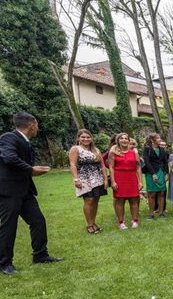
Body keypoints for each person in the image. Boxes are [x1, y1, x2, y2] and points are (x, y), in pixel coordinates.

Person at [0, 111, 62, 274]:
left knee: (38, 221)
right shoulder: (8, 137)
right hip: (9, 191)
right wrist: (31, 169)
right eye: (37, 125)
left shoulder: (25, 141)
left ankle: (40, 255)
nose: (38, 129)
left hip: (25, 191)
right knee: (9, 226)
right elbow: (9, 158)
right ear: (31, 124)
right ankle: (5, 264)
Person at [68, 129, 109, 234]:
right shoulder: (75, 149)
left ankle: (93, 222)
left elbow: (103, 165)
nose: (86, 139)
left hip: (97, 178)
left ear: (91, 138)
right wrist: (76, 179)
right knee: (89, 200)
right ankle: (89, 224)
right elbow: (72, 164)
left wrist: (105, 179)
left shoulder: (96, 150)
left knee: (95, 200)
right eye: (83, 137)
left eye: (88, 137)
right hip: (84, 178)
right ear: (78, 138)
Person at [109, 132, 143, 230]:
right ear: (118, 140)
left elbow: (138, 167)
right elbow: (111, 167)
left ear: (128, 140)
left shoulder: (134, 152)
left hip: (132, 177)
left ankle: (135, 221)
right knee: (120, 201)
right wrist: (113, 181)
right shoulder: (113, 152)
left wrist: (140, 181)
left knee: (134, 200)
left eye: (126, 138)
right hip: (119, 177)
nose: (124, 140)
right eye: (121, 138)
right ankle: (121, 222)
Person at [142, 133, 169, 219]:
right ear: (152, 140)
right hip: (151, 173)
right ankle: (151, 213)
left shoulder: (162, 149)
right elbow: (147, 162)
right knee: (152, 193)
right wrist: (153, 173)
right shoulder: (147, 149)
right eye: (157, 138)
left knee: (161, 192)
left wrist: (166, 173)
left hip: (161, 173)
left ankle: (161, 213)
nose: (160, 139)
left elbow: (165, 162)